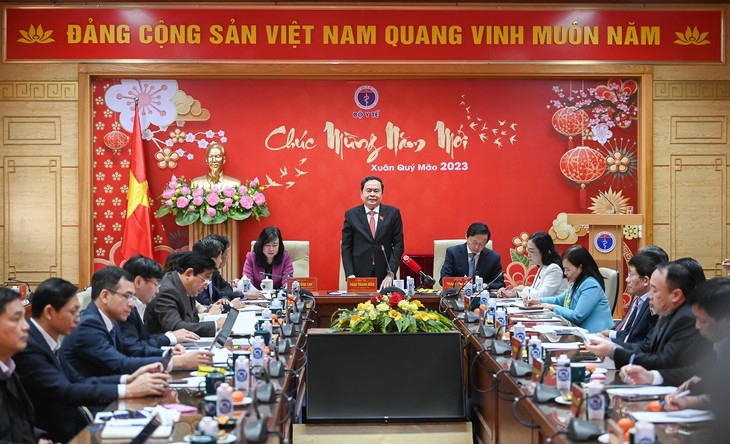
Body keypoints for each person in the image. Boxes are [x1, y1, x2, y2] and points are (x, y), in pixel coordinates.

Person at [14, 278, 169, 442]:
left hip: (76, 421)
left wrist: (128, 379)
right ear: (49, 312)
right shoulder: (29, 346)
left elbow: (77, 381)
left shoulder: (44, 340)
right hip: (62, 434)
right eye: (73, 312)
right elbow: (66, 391)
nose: (77, 319)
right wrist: (129, 390)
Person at [586, 261, 713, 385]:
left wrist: (613, 351)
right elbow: (647, 348)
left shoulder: (685, 319)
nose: (650, 296)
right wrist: (611, 346)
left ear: (675, 295)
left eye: (654, 290)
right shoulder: (667, 313)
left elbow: (663, 362)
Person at [60, 267, 175, 377]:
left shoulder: (110, 319)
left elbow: (129, 350)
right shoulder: (89, 325)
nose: (131, 304)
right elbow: (120, 363)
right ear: (105, 296)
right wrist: (171, 362)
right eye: (127, 296)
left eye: (133, 297)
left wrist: (169, 353)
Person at [120, 255, 206, 360]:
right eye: (156, 284)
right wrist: (170, 339)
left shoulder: (141, 304)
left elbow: (144, 341)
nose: (157, 291)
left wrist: (167, 352)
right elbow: (132, 349)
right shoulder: (124, 309)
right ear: (139, 282)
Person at [525, 245, 613, 333]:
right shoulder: (576, 282)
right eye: (564, 269)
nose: (565, 273)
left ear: (580, 268)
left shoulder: (590, 285)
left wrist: (553, 307)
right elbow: (559, 300)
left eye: (568, 270)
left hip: (597, 336)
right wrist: (538, 301)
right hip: (580, 333)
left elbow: (577, 316)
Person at [341, 176, 404, 289]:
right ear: (361, 193)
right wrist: (350, 275)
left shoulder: (393, 213)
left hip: (385, 275)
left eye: (376, 191)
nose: (372, 194)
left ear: (382, 194)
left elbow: (398, 245)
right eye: (368, 190)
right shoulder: (351, 215)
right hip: (359, 274)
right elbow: (346, 247)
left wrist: (390, 273)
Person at [145, 251, 225, 337]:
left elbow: (194, 319)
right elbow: (175, 327)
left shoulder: (187, 288)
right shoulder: (166, 291)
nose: (206, 287)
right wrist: (215, 325)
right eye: (205, 280)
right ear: (189, 273)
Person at [597, 250, 664, 345]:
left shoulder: (654, 305)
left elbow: (644, 344)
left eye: (631, 275)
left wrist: (610, 346)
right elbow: (629, 333)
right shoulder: (639, 299)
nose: (627, 279)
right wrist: (608, 335)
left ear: (645, 280)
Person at [0, 287, 37, 443]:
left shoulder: (9, 366)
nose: (26, 326)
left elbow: (19, 423)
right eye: (16, 319)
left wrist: (40, 437)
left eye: (24, 318)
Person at [497, 231, 564, 298]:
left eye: (531, 251)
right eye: (528, 251)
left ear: (544, 252)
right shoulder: (542, 267)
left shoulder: (554, 269)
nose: (528, 255)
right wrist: (514, 294)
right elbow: (533, 291)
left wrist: (523, 288)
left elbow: (541, 296)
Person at [440, 222, 504, 290]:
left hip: (481, 294)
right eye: (474, 242)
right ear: (466, 236)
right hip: (458, 294)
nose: (476, 247)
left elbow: (500, 282)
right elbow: (444, 279)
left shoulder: (493, 257)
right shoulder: (453, 253)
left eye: (481, 244)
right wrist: (461, 284)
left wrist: (486, 285)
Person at [243, 226, 294, 291]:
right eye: (267, 245)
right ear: (261, 244)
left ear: (279, 245)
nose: (271, 249)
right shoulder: (251, 258)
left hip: (278, 295)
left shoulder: (286, 258)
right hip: (257, 295)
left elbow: (287, 280)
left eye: (275, 245)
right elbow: (247, 280)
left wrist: (287, 287)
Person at [192, 237, 232, 308]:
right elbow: (205, 304)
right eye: (220, 256)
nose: (221, 260)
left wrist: (224, 298)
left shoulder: (213, 273)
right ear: (213, 260)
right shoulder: (197, 275)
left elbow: (225, 289)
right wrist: (231, 305)